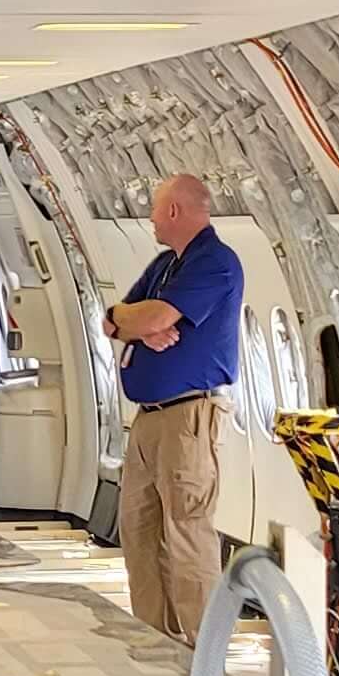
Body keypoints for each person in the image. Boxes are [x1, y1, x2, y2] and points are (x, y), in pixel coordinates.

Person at [106, 173, 241, 644]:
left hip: (188, 419)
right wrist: (131, 323)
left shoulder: (215, 264)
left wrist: (143, 321)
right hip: (148, 418)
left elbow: (157, 316)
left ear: (176, 212)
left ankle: (203, 650)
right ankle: (155, 639)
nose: (149, 217)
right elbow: (114, 316)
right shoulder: (166, 265)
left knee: (187, 533)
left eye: (156, 208)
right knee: (140, 533)